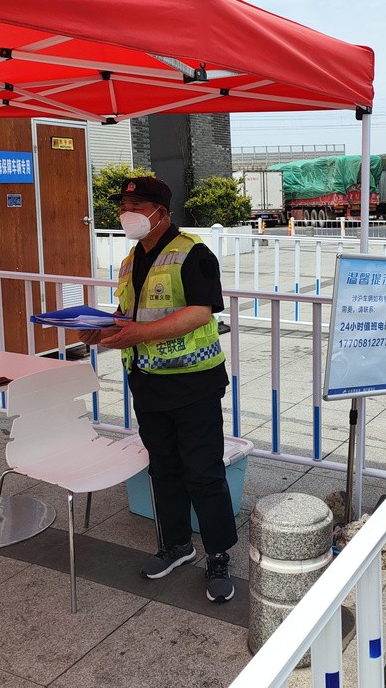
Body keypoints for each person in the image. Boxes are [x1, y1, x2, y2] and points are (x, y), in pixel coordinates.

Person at [77, 175, 238, 604]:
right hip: (147, 382)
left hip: (194, 383)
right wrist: (99, 331)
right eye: (123, 207)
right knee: (163, 468)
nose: (126, 215)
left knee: (203, 472)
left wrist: (139, 333)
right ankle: (177, 544)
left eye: (137, 207)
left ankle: (219, 554)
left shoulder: (194, 254)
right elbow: (126, 313)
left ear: (160, 213)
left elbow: (200, 314)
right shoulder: (131, 259)